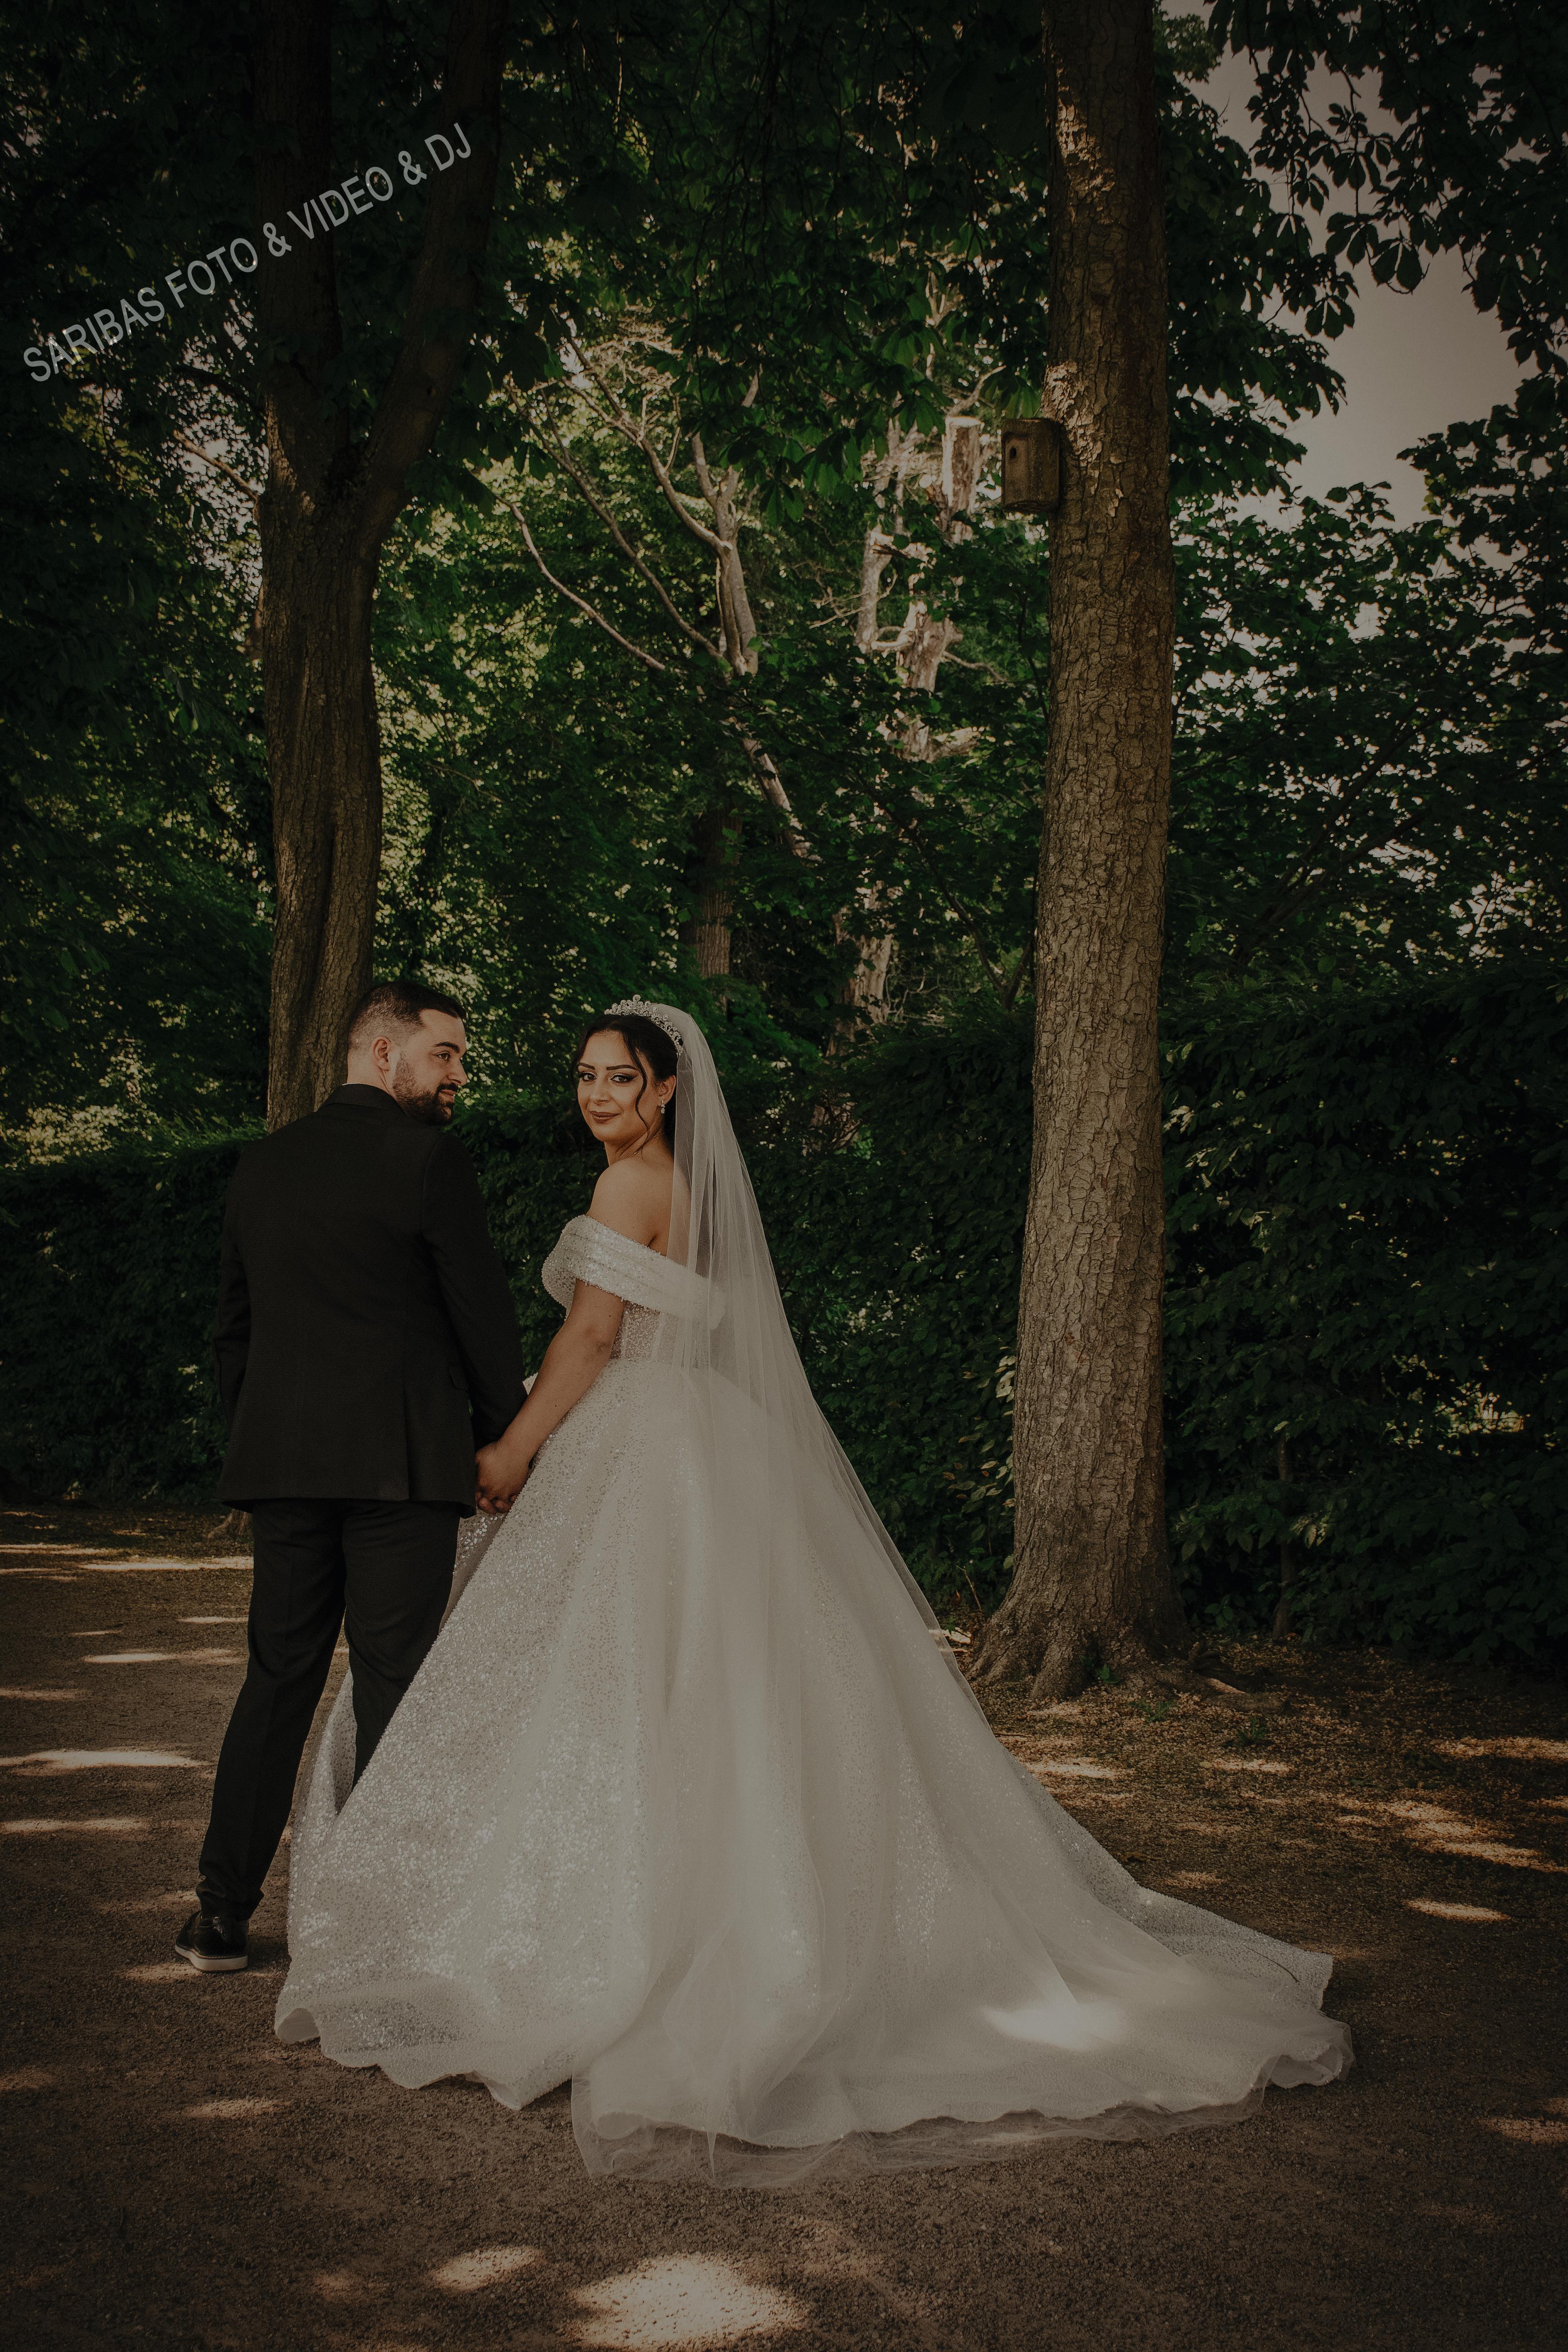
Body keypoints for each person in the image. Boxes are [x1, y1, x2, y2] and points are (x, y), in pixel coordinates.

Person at [275, 998, 1350, 2181]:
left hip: (634, 1441)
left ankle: (622, 1934)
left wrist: (512, 1454)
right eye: (585, 1076)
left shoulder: (628, 1191)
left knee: (619, 1679)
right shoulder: (698, 1196)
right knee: (725, 1682)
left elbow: (587, 1345)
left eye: (620, 1080)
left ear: (669, 1090)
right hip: (708, 1446)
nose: (596, 1097)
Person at [175, 981, 525, 1974]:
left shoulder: (262, 1165)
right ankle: (379, 1931)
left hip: (285, 1467)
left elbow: (233, 1329)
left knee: (277, 1679)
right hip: (401, 1469)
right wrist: (508, 1439)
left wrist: (261, 1444)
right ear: (382, 1054)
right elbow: (480, 1315)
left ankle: (218, 1916)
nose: (460, 1075)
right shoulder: (427, 1161)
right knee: (396, 1687)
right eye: (446, 1054)